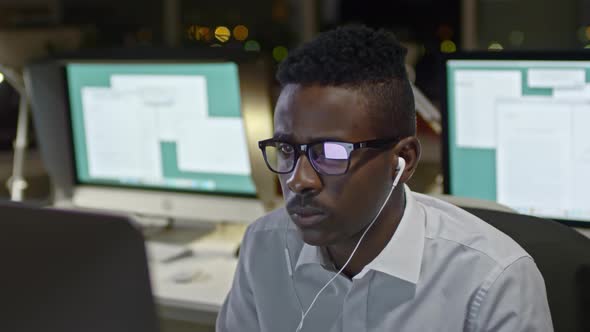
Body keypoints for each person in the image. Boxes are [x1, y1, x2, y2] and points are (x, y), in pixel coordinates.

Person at [216, 25, 553, 332]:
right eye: (287, 150)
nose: (298, 180)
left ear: (402, 161)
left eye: (331, 153)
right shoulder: (265, 245)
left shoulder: (492, 280)